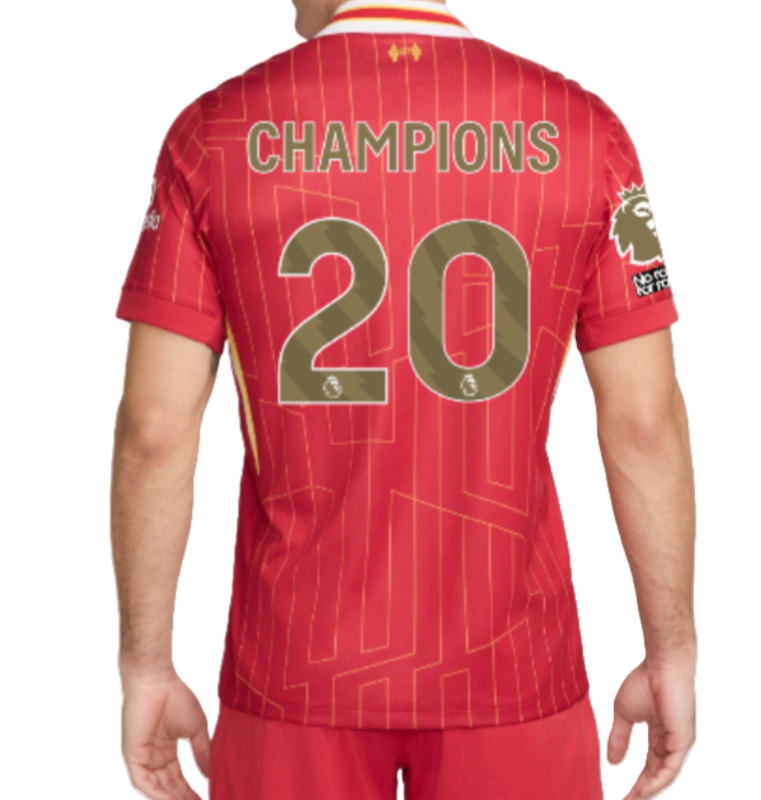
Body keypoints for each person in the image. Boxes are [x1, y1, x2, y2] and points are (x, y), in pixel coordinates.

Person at [110, 0, 697, 798]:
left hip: (294, 670)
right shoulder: (585, 133)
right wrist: (671, 652)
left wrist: (145, 665)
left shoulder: (212, 137)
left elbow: (153, 431)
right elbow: (645, 420)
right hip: (513, 669)